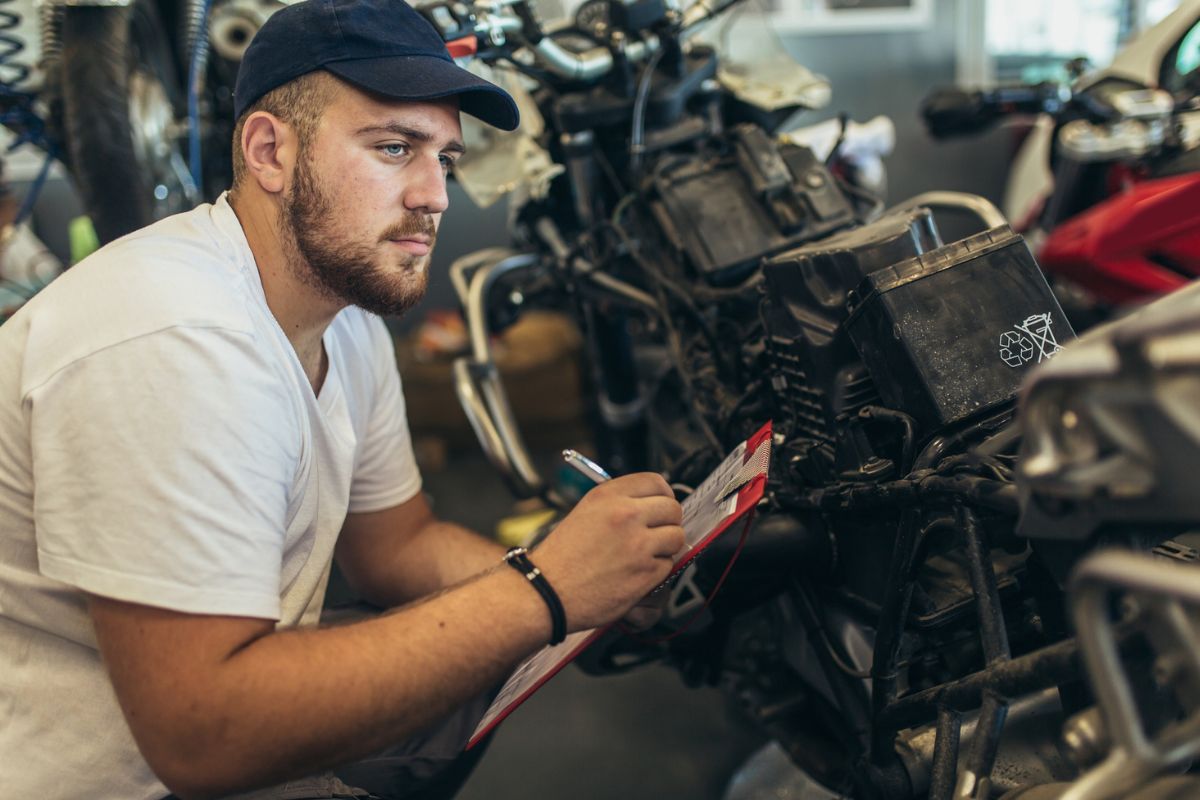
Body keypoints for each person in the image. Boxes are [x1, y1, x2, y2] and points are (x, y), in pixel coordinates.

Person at [0, 1, 686, 798]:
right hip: (114, 774)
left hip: (198, 738)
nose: (434, 195)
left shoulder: (343, 315)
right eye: (395, 148)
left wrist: (597, 579)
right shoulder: (169, 339)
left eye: (446, 160)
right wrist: (545, 590)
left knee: (469, 664)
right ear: (269, 151)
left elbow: (396, 547)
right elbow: (201, 735)